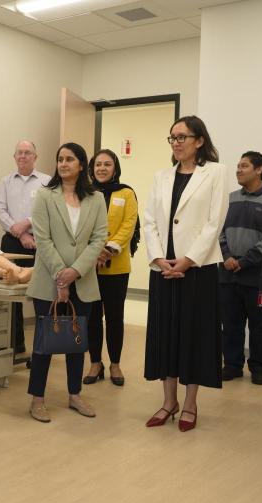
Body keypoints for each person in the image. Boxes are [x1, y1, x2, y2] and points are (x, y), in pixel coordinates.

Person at [143, 115, 232, 432]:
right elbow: (150, 221)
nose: (176, 143)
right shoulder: (161, 176)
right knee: (166, 333)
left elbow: (214, 222)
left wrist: (188, 259)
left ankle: (190, 403)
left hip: (197, 270)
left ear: (199, 141)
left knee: (193, 335)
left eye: (182, 137)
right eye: (172, 138)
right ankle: (169, 401)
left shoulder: (216, 173)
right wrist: (158, 257)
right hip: (164, 269)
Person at [25, 142, 107, 422]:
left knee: (76, 341)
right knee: (43, 343)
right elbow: (42, 239)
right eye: (60, 159)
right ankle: (37, 399)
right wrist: (62, 273)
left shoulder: (96, 199)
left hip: (83, 283)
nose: (63, 164)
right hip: (48, 280)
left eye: (70, 159)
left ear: (81, 164)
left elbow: (98, 239)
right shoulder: (45, 196)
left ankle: (74, 394)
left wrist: (77, 271)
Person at [219, 151, 262, 385]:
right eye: (238, 165)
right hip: (227, 273)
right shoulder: (230, 198)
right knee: (231, 324)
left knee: (258, 326)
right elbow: (219, 231)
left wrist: (245, 261)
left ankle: (257, 367)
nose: (238, 170)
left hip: (257, 276)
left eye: (244, 166)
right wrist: (226, 256)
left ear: (259, 169)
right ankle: (232, 365)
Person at [84, 149, 138, 387]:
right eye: (98, 165)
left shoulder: (126, 193)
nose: (102, 169)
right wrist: (93, 252)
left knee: (115, 317)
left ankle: (115, 363)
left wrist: (109, 248)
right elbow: (81, 224)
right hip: (89, 266)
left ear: (115, 168)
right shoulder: (85, 193)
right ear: (92, 168)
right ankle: (95, 363)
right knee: (93, 317)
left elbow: (129, 224)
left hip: (117, 266)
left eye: (107, 164)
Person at [0, 141, 50, 355]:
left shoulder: (46, 181)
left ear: (35, 157)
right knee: (11, 292)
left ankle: (42, 347)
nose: (23, 156)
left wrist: (27, 224)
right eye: (20, 152)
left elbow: (47, 211)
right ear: (14, 156)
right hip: (11, 241)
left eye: (28, 153)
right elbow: (0, 211)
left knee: (40, 294)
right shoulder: (5, 182)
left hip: (39, 243)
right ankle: (16, 344)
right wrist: (21, 233)